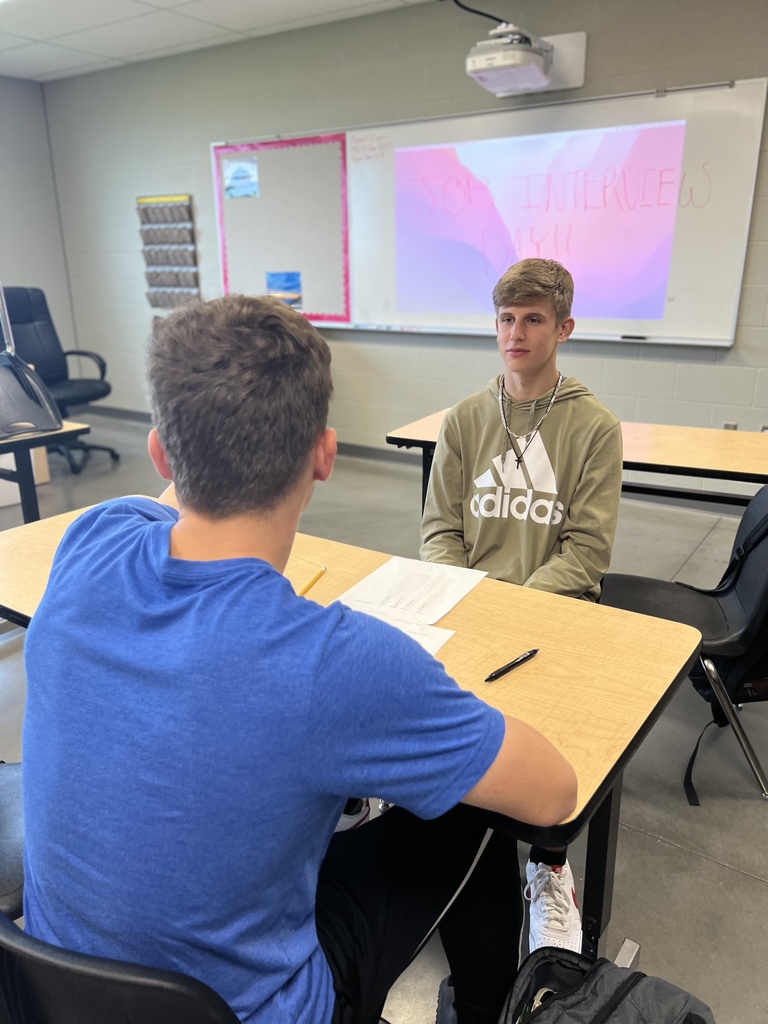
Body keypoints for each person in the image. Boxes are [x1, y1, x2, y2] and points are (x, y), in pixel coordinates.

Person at [21, 294, 577, 1024]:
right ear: (325, 454)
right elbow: (554, 796)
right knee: (468, 811)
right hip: (258, 1013)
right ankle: (482, 1008)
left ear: (159, 451)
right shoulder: (339, 663)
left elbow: (169, 502)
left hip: (53, 992)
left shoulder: (92, 540)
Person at [421, 258, 623, 956]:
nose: (517, 332)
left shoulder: (593, 427)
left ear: (564, 327)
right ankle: (453, 853)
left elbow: (586, 555)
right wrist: (466, 596)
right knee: (439, 720)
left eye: (533, 319)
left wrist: (513, 611)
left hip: (555, 615)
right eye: (507, 318)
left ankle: (549, 868)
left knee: (549, 767)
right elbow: (439, 530)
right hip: (471, 606)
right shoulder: (468, 419)